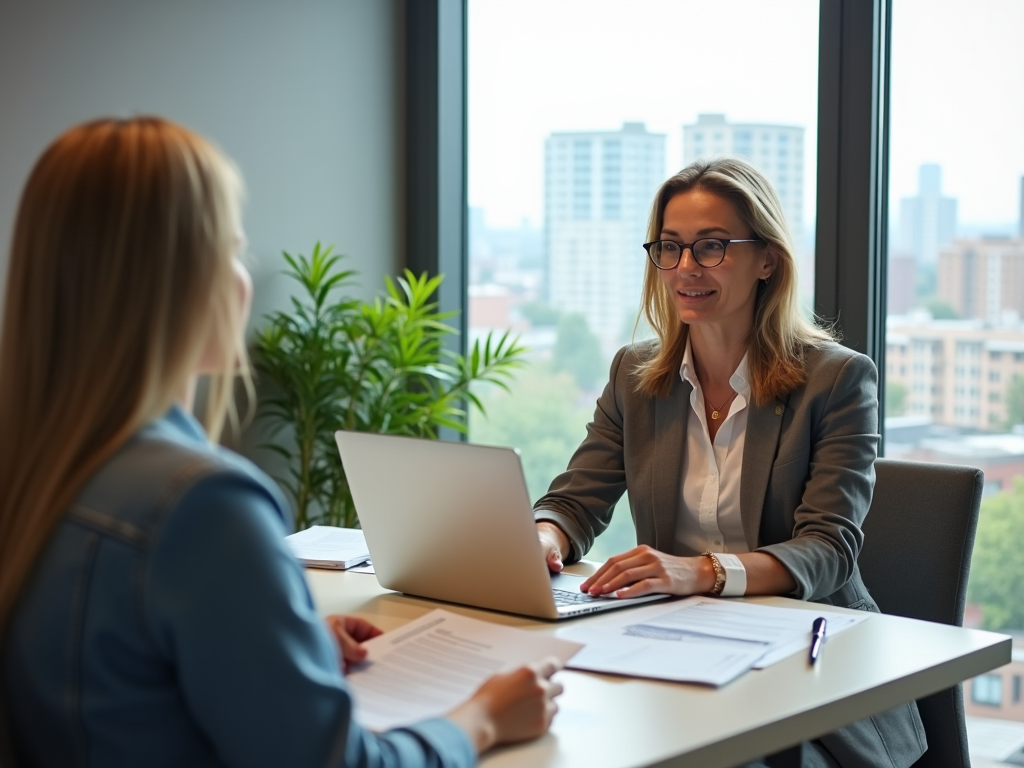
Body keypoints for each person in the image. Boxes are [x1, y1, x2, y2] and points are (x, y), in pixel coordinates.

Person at [0, 117, 562, 768]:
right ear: (177, 282)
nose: (243, 279)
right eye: (231, 250)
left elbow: (110, 675)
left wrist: (268, 650)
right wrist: (483, 717)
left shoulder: (36, 474)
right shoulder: (202, 506)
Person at [532, 157, 926, 768]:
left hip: (811, 671)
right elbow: (575, 500)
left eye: (712, 247)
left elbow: (829, 549)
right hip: (675, 657)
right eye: (670, 247)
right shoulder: (635, 378)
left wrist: (702, 572)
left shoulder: (838, 380)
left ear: (766, 259)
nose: (686, 268)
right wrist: (544, 536)